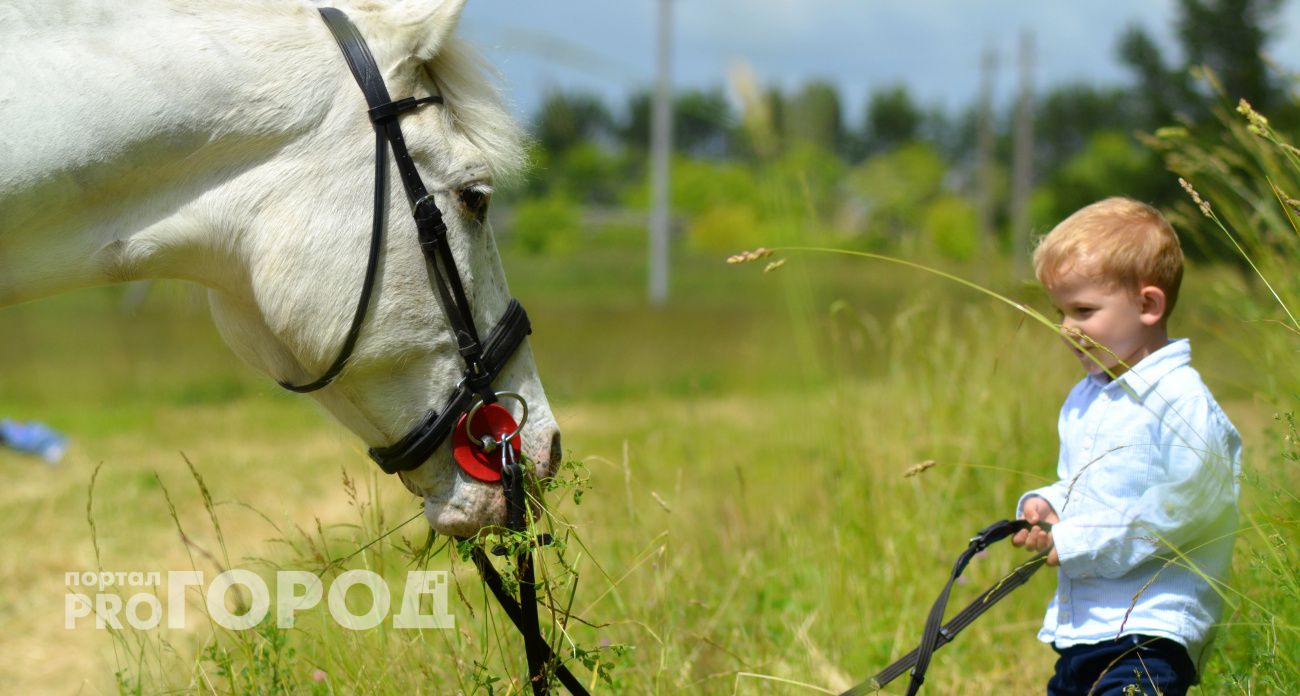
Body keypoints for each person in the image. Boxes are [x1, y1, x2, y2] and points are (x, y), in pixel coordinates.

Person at [1010, 197, 1241, 696]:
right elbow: (1087, 487)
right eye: (1059, 311)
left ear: (1148, 305)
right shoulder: (1084, 398)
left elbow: (1186, 509)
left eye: (1083, 311)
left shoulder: (1180, 400)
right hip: (1082, 634)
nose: (1065, 327)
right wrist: (1048, 505)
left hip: (1149, 635)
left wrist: (1074, 540)